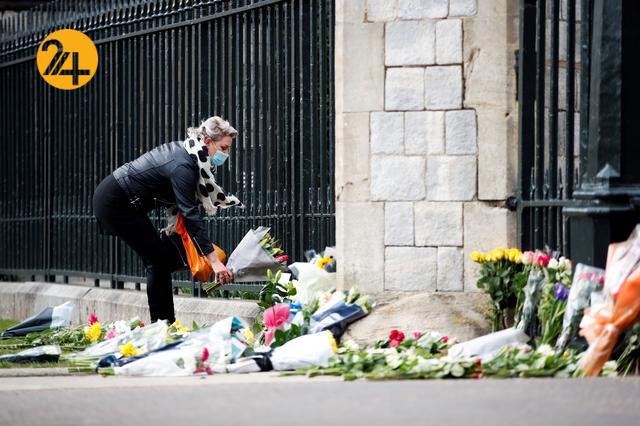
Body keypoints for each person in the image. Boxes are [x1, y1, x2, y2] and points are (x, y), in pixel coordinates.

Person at [92, 116, 237, 323]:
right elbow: (189, 214)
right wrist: (213, 261)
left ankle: (165, 324)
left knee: (160, 258)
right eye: (223, 148)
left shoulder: (190, 156)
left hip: (125, 201)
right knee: (157, 260)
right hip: (115, 202)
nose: (226, 154)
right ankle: (162, 325)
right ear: (207, 142)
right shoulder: (183, 165)